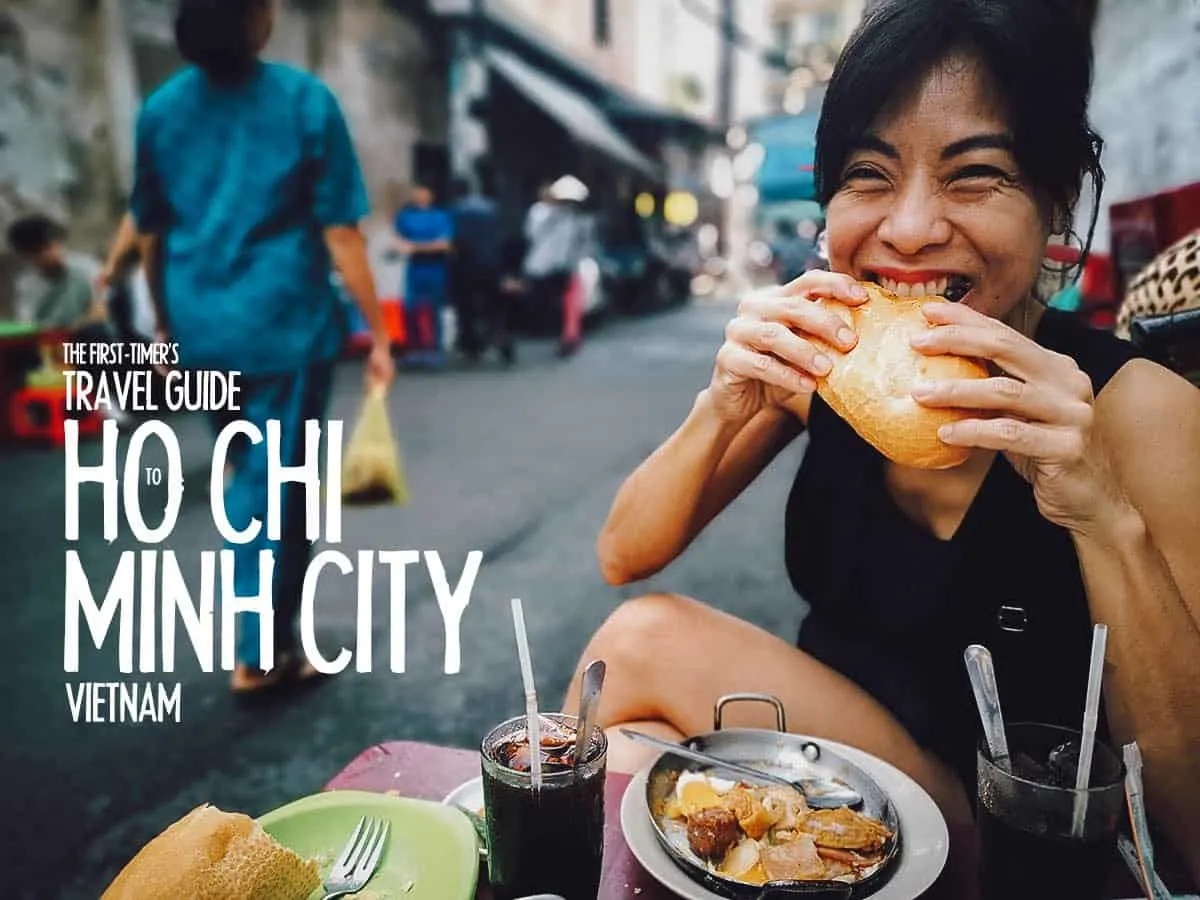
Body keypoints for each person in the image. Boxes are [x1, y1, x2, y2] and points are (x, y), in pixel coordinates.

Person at [564, 0, 1200, 880]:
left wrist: (1100, 510)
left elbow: (1192, 825)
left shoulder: (1136, 411)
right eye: (869, 173)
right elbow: (624, 551)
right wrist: (723, 404)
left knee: (642, 648)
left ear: (1055, 203)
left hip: (1016, 846)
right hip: (832, 780)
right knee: (627, 742)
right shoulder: (826, 364)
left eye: (975, 175)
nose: (907, 229)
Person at [127, 0, 395, 696]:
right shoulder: (304, 101)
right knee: (272, 491)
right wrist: (380, 331)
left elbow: (153, 232)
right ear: (254, 20)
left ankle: (279, 640)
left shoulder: (160, 110)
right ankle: (259, 650)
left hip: (202, 328)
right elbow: (341, 232)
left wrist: (165, 321)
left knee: (252, 479)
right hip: (283, 326)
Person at [523, 176, 593, 357]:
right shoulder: (538, 212)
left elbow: (577, 239)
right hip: (540, 266)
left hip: (564, 266)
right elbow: (532, 233)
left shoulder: (570, 214)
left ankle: (570, 337)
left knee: (570, 302)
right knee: (541, 302)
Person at [448, 171, 514, 364]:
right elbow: (500, 238)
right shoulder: (491, 208)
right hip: (491, 264)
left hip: (466, 265)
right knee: (493, 307)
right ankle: (502, 339)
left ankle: (471, 345)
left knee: (466, 307)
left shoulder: (456, 211)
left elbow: (457, 240)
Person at [394, 182, 454, 366]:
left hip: (435, 268)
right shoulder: (405, 216)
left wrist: (416, 247)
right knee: (410, 308)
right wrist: (427, 247)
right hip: (415, 269)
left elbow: (444, 244)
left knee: (434, 308)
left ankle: (434, 349)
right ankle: (414, 348)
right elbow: (399, 245)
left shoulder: (440, 216)